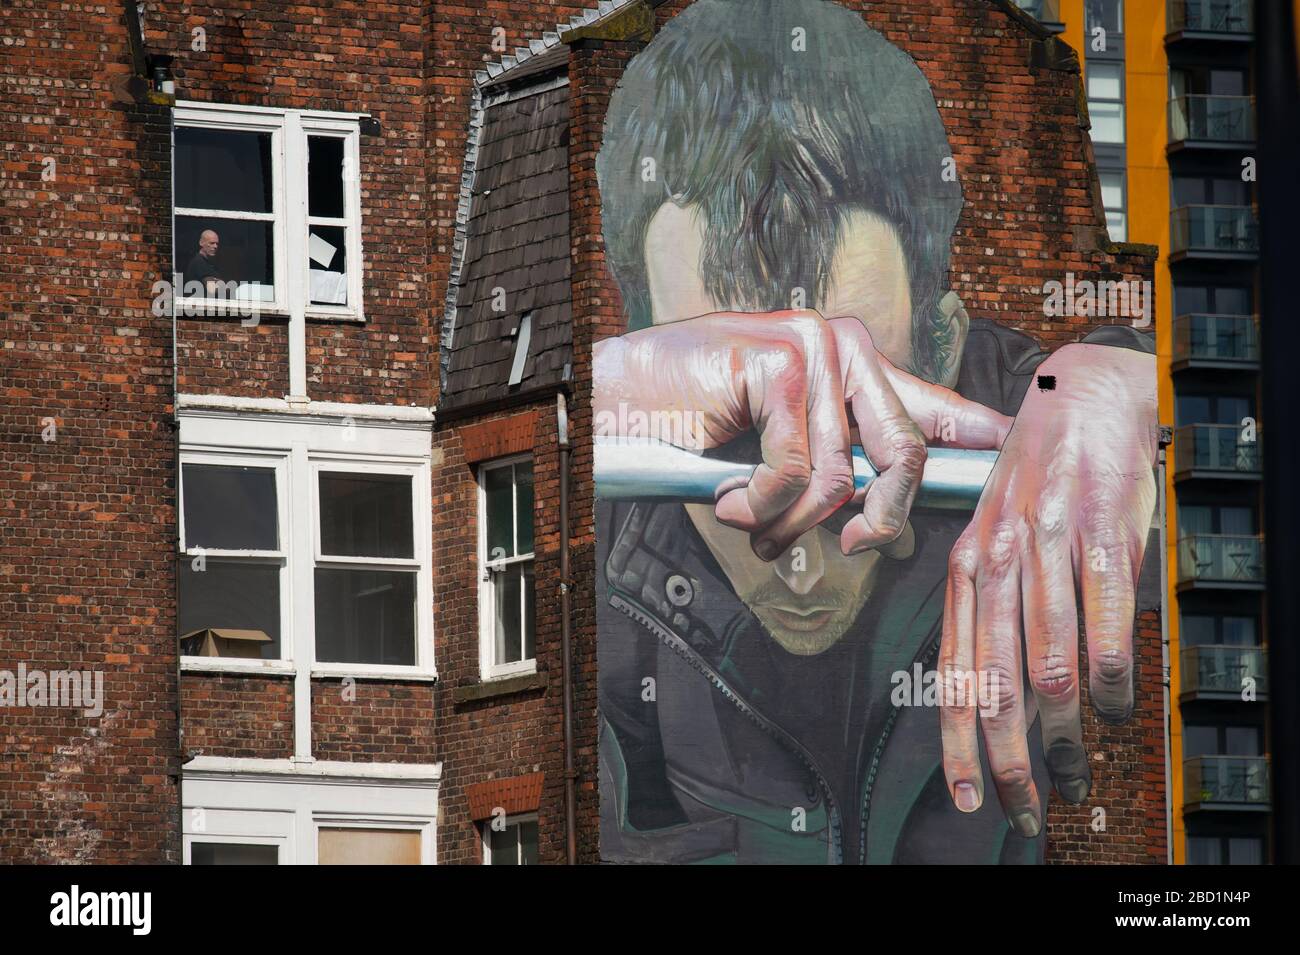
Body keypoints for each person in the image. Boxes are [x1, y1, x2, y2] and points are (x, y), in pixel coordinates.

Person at [593, 0, 1158, 863]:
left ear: (945, 349)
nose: (804, 545)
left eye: (861, 424)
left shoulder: (1010, 410)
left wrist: (1129, 384)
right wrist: (603, 386)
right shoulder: (596, 467)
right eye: (739, 434)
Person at [184, 229, 221, 294]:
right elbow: (212, 289)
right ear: (201, 243)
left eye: (217, 243)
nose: (215, 246)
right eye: (211, 243)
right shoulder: (199, 262)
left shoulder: (208, 264)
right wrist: (227, 286)